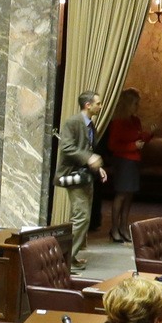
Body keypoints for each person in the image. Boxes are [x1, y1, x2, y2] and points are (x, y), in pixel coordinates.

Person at [55, 91, 106, 267]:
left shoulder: (91, 125)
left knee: (80, 217)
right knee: (81, 217)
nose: (100, 106)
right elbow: (67, 148)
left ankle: (69, 255)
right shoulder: (73, 122)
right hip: (74, 176)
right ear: (88, 105)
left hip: (86, 177)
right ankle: (64, 260)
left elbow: (88, 149)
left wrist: (98, 168)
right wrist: (88, 158)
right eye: (98, 103)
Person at [104, 90, 150, 242]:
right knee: (121, 194)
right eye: (135, 103)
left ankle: (124, 226)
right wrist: (133, 146)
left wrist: (148, 135)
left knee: (130, 195)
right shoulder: (118, 122)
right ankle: (114, 228)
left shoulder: (135, 120)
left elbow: (138, 137)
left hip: (135, 161)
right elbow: (112, 145)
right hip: (123, 161)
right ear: (127, 104)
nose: (138, 106)